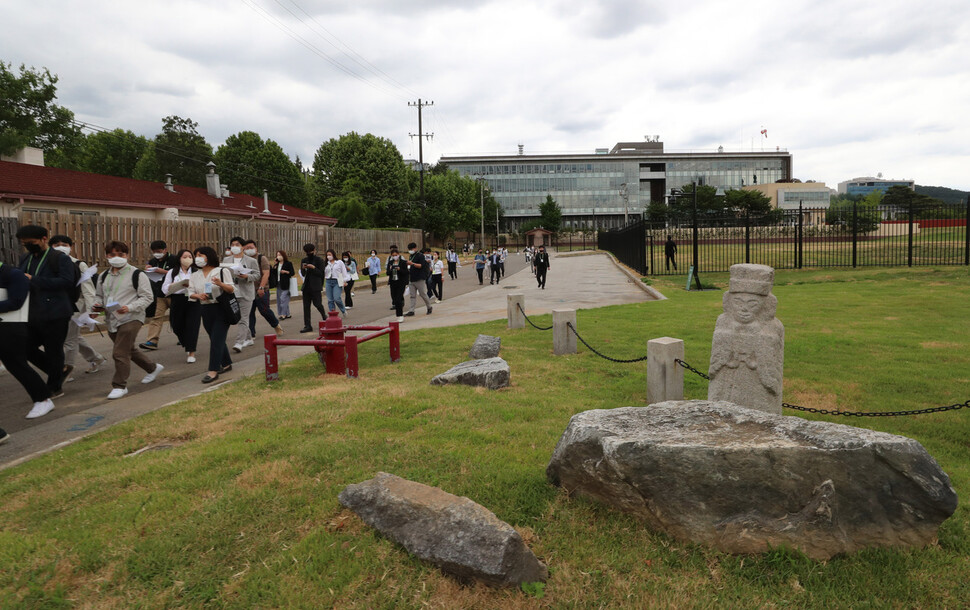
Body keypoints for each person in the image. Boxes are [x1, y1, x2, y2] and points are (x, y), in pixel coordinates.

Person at [92, 241, 163, 400]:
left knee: (119, 352)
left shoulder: (137, 274)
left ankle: (119, 386)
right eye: (112, 255)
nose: (116, 258)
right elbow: (99, 295)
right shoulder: (103, 275)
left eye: (121, 254)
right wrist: (97, 306)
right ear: (106, 256)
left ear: (127, 255)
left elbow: (147, 297)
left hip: (132, 317)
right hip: (112, 318)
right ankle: (152, 368)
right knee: (128, 349)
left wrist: (129, 307)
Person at [16, 224, 74, 400]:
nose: (28, 246)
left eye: (31, 242)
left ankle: (54, 387)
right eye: (25, 243)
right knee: (24, 348)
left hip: (56, 312)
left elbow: (66, 282)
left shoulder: (59, 258)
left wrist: (33, 279)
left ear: (44, 239)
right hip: (32, 312)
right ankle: (58, 370)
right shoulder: (26, 258)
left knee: (53, 350)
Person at [0, 260, 55, 421]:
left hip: (11, 327)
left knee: (17, 365)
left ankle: (43, 399)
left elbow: (16, 302)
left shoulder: (13, 274)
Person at [49, 235, 106, 379]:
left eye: (64, 244)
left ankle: (65, 371)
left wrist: (92, 309)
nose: (61, 247)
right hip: (53, 306)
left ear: (71, 247)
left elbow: (88, 288)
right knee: (74, 337)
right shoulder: (47, 263)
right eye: (56, 244)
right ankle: (96, 358)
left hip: (74, 305)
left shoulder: (79, 264)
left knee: (69, 340)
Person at [187, 246, 235, 383]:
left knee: (216, 339)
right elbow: (190, 293)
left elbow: (231, 289)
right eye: (196, 255)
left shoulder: (221, 271)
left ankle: (213, 370)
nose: (198, 258)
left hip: (221, 308)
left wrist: (220, 284)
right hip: (205, 309)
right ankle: (226, 363)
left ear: (209, 256)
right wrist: (198, 295)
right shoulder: (195, 275)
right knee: (215, 338)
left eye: (201, 255)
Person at [162, 249, 201, 363]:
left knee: (192, 326)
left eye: (190, 256)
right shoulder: (172, 272)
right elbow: (164, 288)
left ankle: (191, 351)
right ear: (179, 259)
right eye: (184, 257)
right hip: (177, 300)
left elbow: (202, 286)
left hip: (193, 299)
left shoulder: (196, 271)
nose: (187, 259)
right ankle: (186, 343)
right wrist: (174, 285)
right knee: (176, 325)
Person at [140, 240, 180, 351]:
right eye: (154, 251)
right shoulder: (153, 261)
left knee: (177, 318)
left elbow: (180, 274)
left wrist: (163, 271)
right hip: (159, 294)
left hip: (174, 293)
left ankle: (183, 336)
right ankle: (152, 341)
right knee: (156, 317)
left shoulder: (175, 259)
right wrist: (148, 270)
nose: (157, 253)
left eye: (159, 251)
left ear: (165, 250)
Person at [223, 236, 261, 353]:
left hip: (246, 294)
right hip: (232, 293)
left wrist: (247, 276)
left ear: (243, 247)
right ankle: (249, 338)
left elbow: (257, 275)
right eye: (233, 245)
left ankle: (239, 342)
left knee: (244, 318)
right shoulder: (226, 260)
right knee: (238, 318)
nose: (235, 247)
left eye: (237, 245)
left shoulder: (251, 261)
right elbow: (223, 273)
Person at [244, 239, 284, 339]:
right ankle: (251, 333)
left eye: (251, 248)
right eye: (247, 248)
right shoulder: (243, 259)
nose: (249, 250)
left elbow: (266, 274)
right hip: (248, 290)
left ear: (256, 248)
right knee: (249, 312)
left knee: (264, 310)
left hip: (261, 289)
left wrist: (261, 287)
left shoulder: (261, 258)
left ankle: (275, 324)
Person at [299, 243, 327, 333]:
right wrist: (304, 268)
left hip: (316, 286)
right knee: (306, 306)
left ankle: (324, 316)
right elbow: (303, 274)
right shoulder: (304, 260)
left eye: (311, 251)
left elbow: (321, 273)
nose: (309, 253)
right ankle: (307, 325)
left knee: (317, 304)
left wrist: (313, 267)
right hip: (306, 286)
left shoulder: (319, 260)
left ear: (314, 250)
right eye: (307, 252)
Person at [405, 242, 433, 317]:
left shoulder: (420, 256)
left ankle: (429, 307)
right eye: (409, 249)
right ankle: (411, 310)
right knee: (412, 295)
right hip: (412, 278)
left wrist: (412, 264)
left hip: (419, 278)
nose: (410, 250)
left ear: (415, 248)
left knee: (422, 294)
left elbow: (420, 265)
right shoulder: (411, 256)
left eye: (411, 249)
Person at [269, 250, 294, 319]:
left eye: (280, 255)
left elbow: (292, 273)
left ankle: (283, 314)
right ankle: (286, 313)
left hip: (286, 284)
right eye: (277, 255)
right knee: (279, 299)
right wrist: (275, 264)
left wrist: (286, 272)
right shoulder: (277, 265)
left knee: (283, 298)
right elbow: (273, 273)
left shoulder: (288, 263)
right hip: (278, 283)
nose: (278, 256)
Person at [323, 248, 349, 315]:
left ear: (333, 255)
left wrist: (344, 281)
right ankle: (332, 313)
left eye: (329, 254)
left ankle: (343, 310)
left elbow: (344, 272)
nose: (328, 256)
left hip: (337, 281)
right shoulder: (326, 263)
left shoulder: (339, 262)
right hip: (328, 281)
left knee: (337, 298)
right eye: (327, 255)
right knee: (330, 299)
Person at [386, 246, 408, 323]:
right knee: (394, 299)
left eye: (396, 255)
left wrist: (399, 269)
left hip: (401, 282)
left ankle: (400, 315)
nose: (394, 256)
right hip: (393, 282)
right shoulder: (390, 262)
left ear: (398, 254)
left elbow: (406, 272)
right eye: (393, 255)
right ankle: (398, 312)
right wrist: (391, 268)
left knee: (399, 299)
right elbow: (387, 273)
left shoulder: (403, 262)